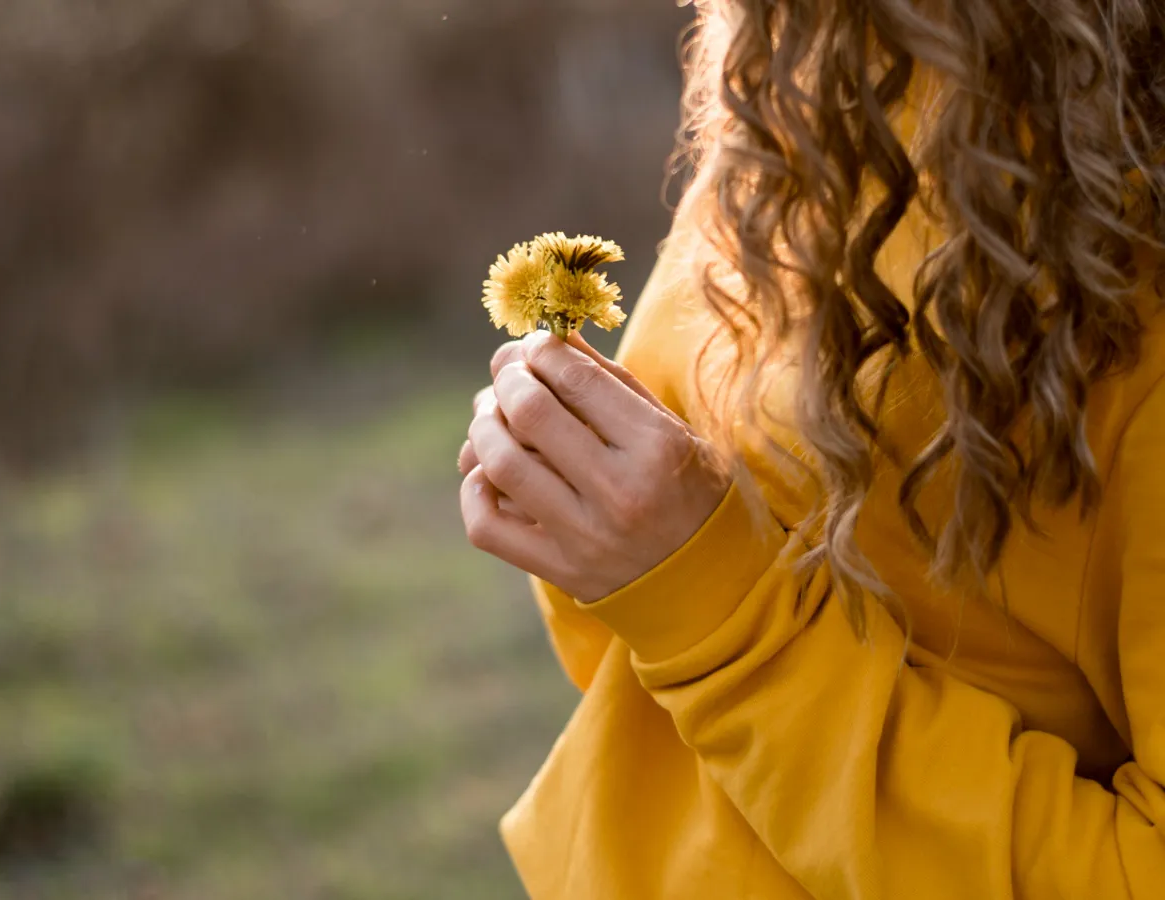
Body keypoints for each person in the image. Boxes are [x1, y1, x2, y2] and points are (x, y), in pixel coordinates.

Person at [457, 1, 1165, 896]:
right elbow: (637, 669)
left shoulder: (1132, 276)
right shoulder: (791, 75)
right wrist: (584, 504)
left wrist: (719, 615)